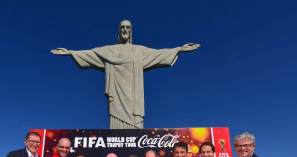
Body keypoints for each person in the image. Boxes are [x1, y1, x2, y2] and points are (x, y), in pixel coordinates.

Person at [51, 20, 200, 129]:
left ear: (130, 32)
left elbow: (158, 54)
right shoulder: (108, 50)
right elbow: (91, 54)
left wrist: (178, 49)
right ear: (119, 31)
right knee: (116, 122)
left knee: (135, 127)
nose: (124, 30)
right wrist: (71, 53)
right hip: (117, 94)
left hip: (134, 97)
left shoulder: (139, 51)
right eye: (122, 27)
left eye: (127, 28)